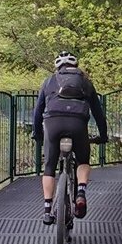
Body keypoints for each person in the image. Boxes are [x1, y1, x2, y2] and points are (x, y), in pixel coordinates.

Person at [31, 51, 108, 225]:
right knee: (82, 162)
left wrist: (37, 133)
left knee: (49, 167)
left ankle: (47, 210)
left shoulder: (48, 81)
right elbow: (98, 113)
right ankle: (80, 192)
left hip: (53, 124)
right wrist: (103, 136)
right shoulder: (85, 82)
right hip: (78, 124)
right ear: (75, 66)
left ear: (58, 67)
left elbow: (37, 112)